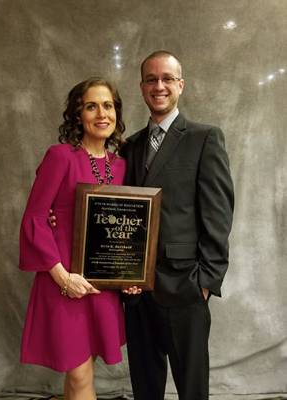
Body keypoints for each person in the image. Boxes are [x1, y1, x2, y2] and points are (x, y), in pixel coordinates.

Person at [121, 51, 234, 400]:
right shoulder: (130, 146)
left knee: (192, 388)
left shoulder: (204, 138)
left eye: (167, 78)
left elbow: (218, 212)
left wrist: (206, 280)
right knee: (145, 385)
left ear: (180, 85)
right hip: (137, 291)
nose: (159, 86)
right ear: (141, 87)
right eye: (151, 79)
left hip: (186, 283)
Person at [19, 77, 127, 400]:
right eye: (91, 106)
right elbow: (35, 219)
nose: (101, 114)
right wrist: (63, 277)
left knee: (80, 375)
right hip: (64, 283)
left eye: (107, 105)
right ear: (77, 114)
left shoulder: (121, 166)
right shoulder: (60, 156)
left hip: (103, 286)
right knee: (80, 376)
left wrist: (131, 275)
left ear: (116, 113)